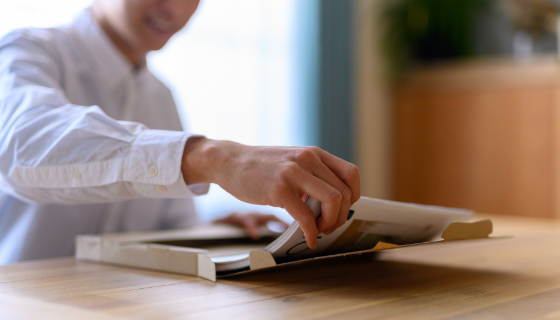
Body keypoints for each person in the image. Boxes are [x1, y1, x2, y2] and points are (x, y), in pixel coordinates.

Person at [0, 0, 361, 264]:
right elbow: (20, 146)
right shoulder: (25, 51)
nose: (174, 6)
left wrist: (212, 229)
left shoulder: (161, 97)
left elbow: (166, 222)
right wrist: (219, 159)